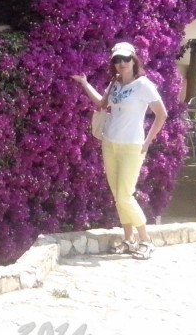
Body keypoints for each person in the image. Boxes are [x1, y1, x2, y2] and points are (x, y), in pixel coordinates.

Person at [71, 41, 167, 260]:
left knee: (125, 195)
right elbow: (101, 104)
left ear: (134, 60)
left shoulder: (143, 85)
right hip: (110, 143)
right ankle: (129, 239)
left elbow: (161, 114)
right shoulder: (115, 83)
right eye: (117, 60)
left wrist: (148, 141)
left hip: (132, 146)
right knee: (118, 196)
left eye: (125, 59)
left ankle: (146, 240)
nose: (121, 63)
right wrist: (85, 83)